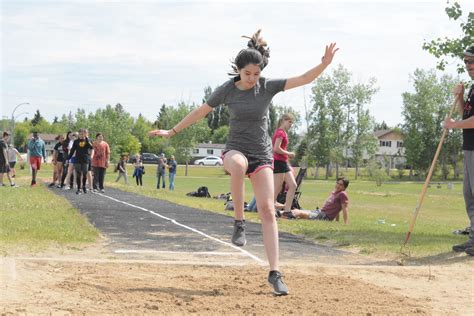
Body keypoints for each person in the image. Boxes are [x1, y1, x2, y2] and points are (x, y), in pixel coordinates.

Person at [148, 29, 338, 295]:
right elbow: (200, 112)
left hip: (261, 155)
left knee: (268, 210)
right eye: (247, 74)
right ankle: (239, 222)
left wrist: (324, 64)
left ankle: (275, 272)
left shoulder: (267, 86)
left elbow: (304, 79)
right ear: (238, 70)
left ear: (261, 70)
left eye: (256, 74)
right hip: (235, 150)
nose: (252, 79)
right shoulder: (227, 90)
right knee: (237, 166)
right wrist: (172, 131)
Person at [443, 45, 474, 256]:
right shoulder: (473, 87)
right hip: (469, 147)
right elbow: (467, 114)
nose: (468, 65)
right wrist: (461, 96)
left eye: (471, 61)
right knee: (469, 195)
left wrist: (453, 125)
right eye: (465, 62)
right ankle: (473, 238)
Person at [272, 115, 297, 212]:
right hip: (278, 162)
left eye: (292, 122)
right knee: (276, 189)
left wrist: (287, 157)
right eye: (289, 122)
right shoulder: (280, 133)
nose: (291, 124)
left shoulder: (283, 133)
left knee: (293, 185)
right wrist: (289, 153)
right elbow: (276, 148)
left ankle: (287, 211)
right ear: (283, 121)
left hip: (283, 162)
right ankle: (269, 210)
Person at [67, 128, 93, 195]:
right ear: (78, 134)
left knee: (84, 174)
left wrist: (86, 138)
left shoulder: (87, 140)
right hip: (78, 159)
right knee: (78, 174)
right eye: (80, 134)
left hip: (85, 159)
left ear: (85, 134)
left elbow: (91, 147)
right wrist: (67, 159)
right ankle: (79, 188)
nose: (82, 135)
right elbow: (72, 151)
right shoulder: (76, 142)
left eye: (83, 134)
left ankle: (84, 185)